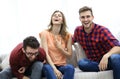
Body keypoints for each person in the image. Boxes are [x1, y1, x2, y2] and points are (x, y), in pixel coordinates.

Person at [72, 6, 120, 79]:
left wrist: (106, 56)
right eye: (83, 17)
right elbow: (70, 40)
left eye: (88, 16)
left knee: (115, 58)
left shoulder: (102, 30)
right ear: (80, 19)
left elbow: (118, 47)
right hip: (93, 63)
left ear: (92, 17)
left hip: (107, 60)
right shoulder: (78, 31)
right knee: (81, 63)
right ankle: (105, 67)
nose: (85, 19)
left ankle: (110, 66)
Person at [39, 10, 74, 79]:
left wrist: (60, 48)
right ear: (51, 20)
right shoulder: (44, 33)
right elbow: (45, 54)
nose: (56, 16)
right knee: (48, 68)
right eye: (54, 15)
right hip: (48, 65)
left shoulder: (68, 35)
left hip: (62, 66)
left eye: (59, 15)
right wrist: (55, 69)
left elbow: (70, 55)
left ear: (62, 21)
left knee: (70, 68)